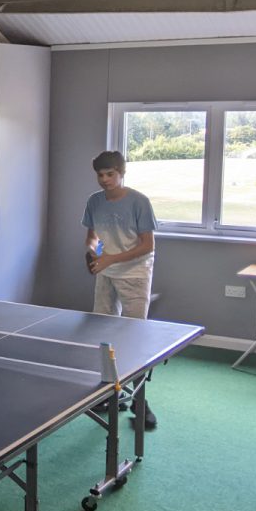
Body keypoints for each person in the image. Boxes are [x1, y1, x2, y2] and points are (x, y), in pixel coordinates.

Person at [83, 149, 160, 428]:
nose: (105, 179)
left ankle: (140, 401)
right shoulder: (94, 201)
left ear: (121, 173)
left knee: (134, 338)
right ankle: (109, 393)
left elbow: (147, 245)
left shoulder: (139, 201)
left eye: (110, 174)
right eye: (100, 175)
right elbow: (92, 237)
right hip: (106, 274)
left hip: (135, 274)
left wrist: (110, 259)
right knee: (104, 335)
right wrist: (93, 254)